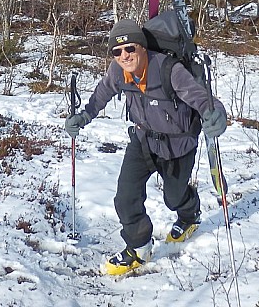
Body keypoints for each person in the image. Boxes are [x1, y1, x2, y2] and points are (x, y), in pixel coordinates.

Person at [65, 17, 228, 276]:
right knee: (125, 197)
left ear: (142, 47)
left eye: (130, 48)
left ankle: (189, 213)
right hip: (143, 140)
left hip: (178, 145)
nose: (124, 55)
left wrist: (216, 115)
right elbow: (101, 95)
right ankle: (139, 246)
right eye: (117, 51)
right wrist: (83, 117)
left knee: (173, 198)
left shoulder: (169, 70)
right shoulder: (118, 71)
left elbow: (203, 98)